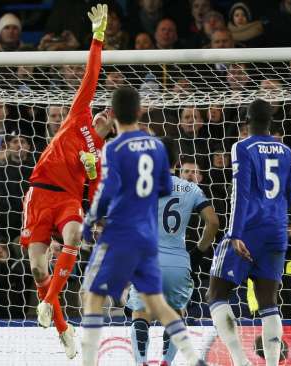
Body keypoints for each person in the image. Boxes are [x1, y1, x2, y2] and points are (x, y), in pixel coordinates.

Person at [80, 86, 207, 366]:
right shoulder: (157, 148)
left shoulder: (114, 148)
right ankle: (193, 358)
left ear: (113, 116)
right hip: (148, 239)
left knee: (92, 298)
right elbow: (163, 188)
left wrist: (91, 221)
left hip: (121, 236)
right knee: (159, 304)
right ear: (139, 112)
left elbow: (106, 191)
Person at [22, 4, 114, 359]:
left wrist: (91, 171)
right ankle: (63, 328)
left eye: (110, 113)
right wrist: (98, 37)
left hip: (67, 201)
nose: (105, 111)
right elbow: (91, 74)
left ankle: (47, 303)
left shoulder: (104, 155)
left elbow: (94, 195)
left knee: (75, 235)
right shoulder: (80, 115)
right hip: (40, 193)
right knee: (36, 267)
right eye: (103, 108)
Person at [207, 99, 291, 366]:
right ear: (271, 121)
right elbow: (290, 192)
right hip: (277, 229)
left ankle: (239, 361)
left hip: (248, 228)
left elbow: (241, 192)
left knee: (216, 294)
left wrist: (235, 233)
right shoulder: (286, 150)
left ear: (246, 121)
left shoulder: (242, 147)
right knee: (269, 302)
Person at [128, 138, 219, 366]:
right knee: (176, 314)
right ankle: (166, 363)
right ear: (177, 162)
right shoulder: (191, 188)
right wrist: (198, 251)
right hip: (178, 262)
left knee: (141, 315)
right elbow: (213, 223)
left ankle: (141, 363)